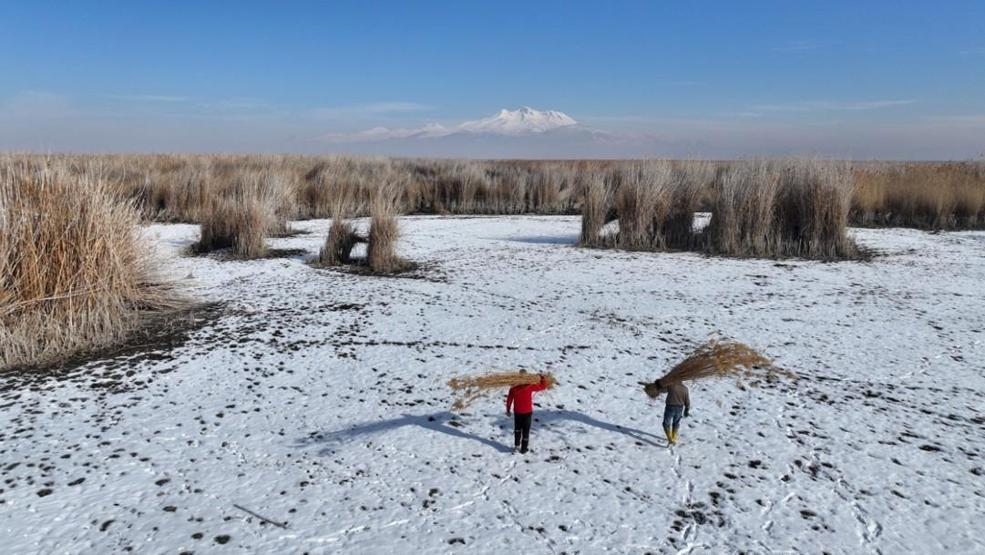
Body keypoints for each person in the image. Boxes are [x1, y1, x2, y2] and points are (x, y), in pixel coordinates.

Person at [506, 373, 548, 454]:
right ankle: (524, 449)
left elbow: (509, 400)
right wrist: (542, 378)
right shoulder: (529, 386)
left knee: (517, 429)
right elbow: (543, 386)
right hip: (527, 412)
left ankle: (516, 446)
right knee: (526, 430)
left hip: (517, 412)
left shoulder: (513, 388)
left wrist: (508, 409)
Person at [655, 378, 690, 444]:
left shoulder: (671, 386)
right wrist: (687, 409)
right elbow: (687, 400)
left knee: (666, 424)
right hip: (679, 408)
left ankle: (669, 438)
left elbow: (662, 390)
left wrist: (658, 384)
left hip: (670, 407)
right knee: (676, 423)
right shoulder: (685, 389)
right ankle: (674, 437)